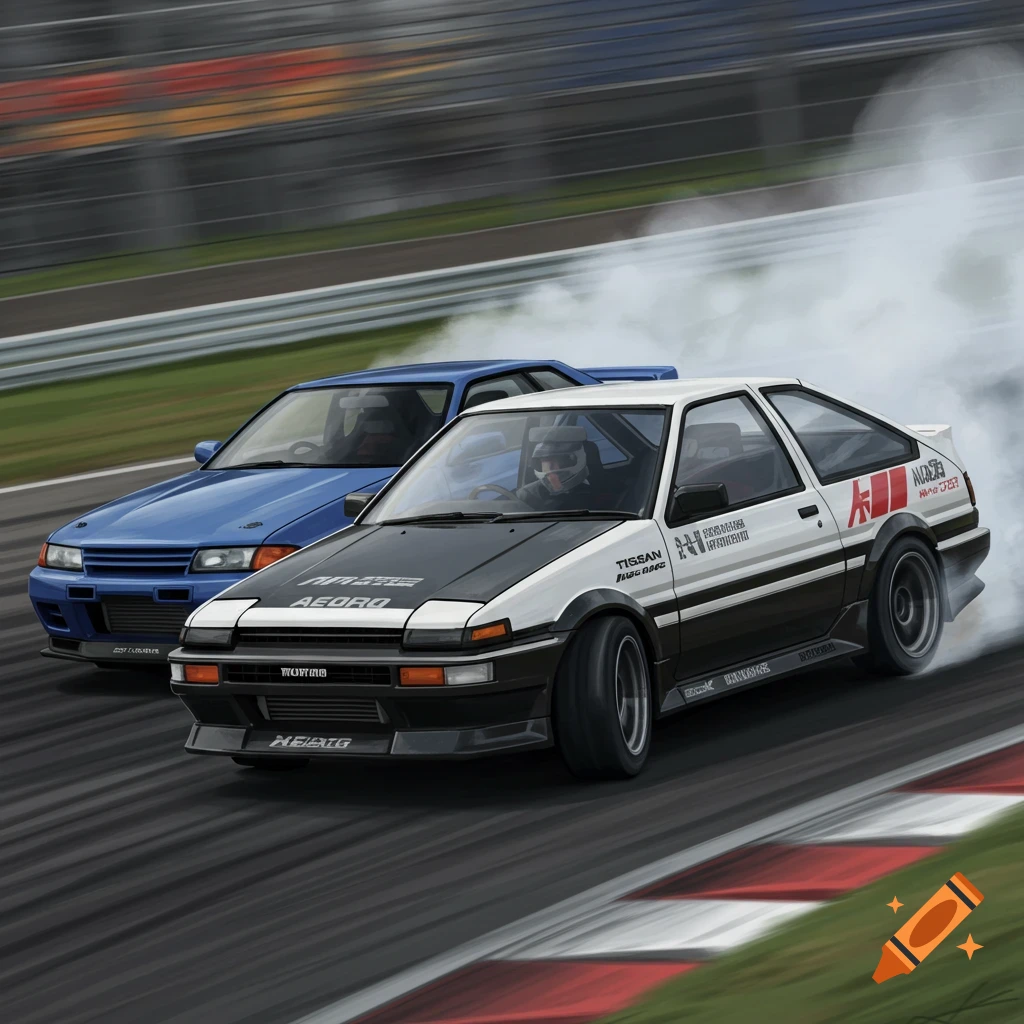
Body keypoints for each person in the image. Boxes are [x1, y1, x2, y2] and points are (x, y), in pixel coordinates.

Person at [516, 426, 596, 510]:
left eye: (560, 462)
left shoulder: (595, 495)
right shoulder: (527, 497)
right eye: (546, 463)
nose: (551, 471)